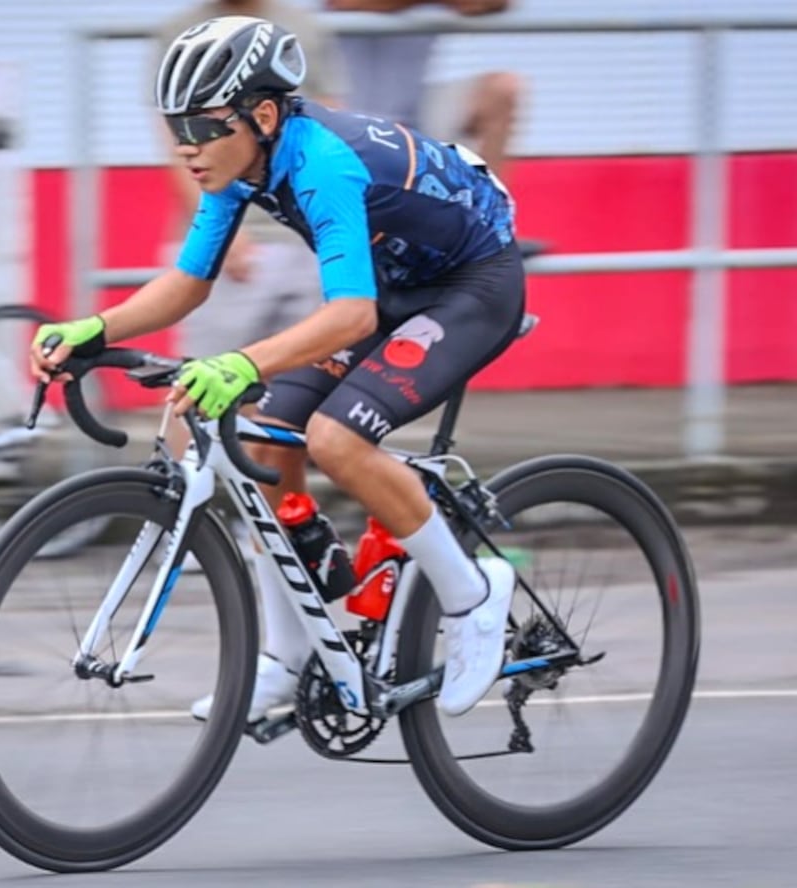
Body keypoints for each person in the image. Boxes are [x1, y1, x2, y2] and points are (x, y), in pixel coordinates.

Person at [31, 15, 524, 722]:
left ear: (261, 114)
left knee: (336, 439)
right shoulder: (238, 166)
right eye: (176, 128)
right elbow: (189, 283)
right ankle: (288, 659)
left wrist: (238, 361)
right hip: (395, 287)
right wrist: (93, 327)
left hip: (471, 285)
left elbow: (352, 316)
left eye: (201, 127)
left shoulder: (322, 163)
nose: (185, 148)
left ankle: (473, 595)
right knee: (261, 436)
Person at [153, 0, 347, 360]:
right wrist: (222, 231)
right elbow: (178, 143)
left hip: (301, 237)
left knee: (297, 397)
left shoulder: (303, 27)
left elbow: (328, 126)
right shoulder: (182, 33)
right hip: (229, 241)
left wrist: (325, 226)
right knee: (200, 394)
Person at [328, 0, 520, 180]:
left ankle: (488, 209)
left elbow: (494, 2)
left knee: (500, 88)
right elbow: (345, 2)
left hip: (415, 109)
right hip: (342, 111)